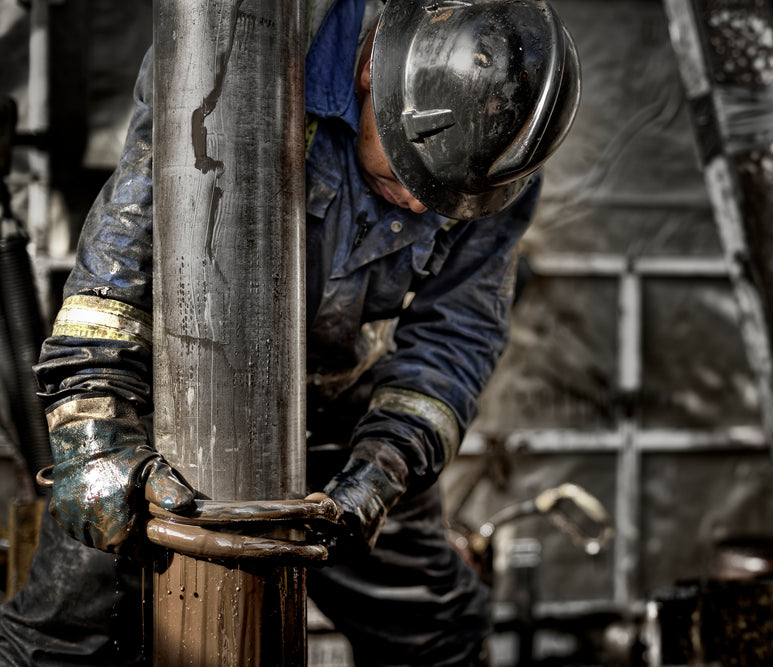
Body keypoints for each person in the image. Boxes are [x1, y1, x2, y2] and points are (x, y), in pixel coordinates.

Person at [0, 0, 580, 664]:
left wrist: (385, 466)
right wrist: (94, 419)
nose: (423, 204)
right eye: (407, 176)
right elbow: (123, 253)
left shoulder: (492, 166)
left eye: (442, 198)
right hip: (178, 413)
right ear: (371, 76)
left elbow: (457, 333)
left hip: (346, 421)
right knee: (59, 638)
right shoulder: (238, 59)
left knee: (437, 635)